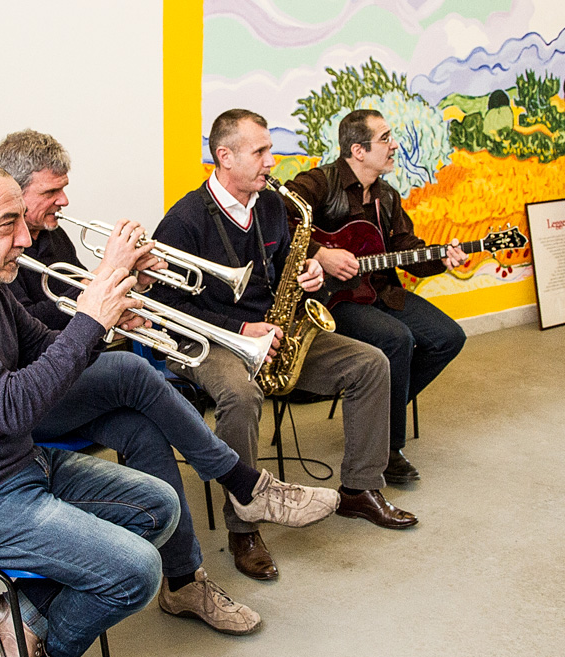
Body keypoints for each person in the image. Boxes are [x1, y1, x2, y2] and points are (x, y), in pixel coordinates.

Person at [0, 162, 333, 657]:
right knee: (137, 572)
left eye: (22, 221)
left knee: (157, 507)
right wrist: (91, 318)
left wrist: (110, 310)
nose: (24, 239)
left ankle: (20, 618)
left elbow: (43, 343)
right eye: (8, 224)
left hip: (15, 467)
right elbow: (14, 407)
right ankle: (45, 649)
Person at [0, 128, 337, 635]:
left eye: (64, 188)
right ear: (13, 191)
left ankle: (183, 582)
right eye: (51, 192)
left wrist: (133, 290)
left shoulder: (51, 232)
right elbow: (35, 332)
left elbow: (70, 297)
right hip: (30, 394)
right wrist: (102, 304)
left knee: (145, 429)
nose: (64, 201)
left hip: (72, 372)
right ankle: (243, 483)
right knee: (132, 371)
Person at [153, 108, 417, 584]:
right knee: (240, 395)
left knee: (371, 363)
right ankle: (244, 526)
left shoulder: (273, 206)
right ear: (224, 156)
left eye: (270, 150)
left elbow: (289, 269)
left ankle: (359, 488)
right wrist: (237, 328)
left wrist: (312, 274)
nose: (272, 161)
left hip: (274, 333)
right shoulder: (184, 220)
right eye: (261, 152)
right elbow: (161, 305)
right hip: (208, 339)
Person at [285, 109, 467, 482]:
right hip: (333, 300)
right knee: (396, 339)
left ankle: (374, 411)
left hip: (380, 290)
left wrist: (443, 259)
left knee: (449, 338)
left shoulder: (387, 195)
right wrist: (321, 254)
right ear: (358, 150)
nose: (394, 145)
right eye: (385, 138)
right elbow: (275, 218)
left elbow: (407, 249)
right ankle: (388, 447)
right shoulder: (320, 182)